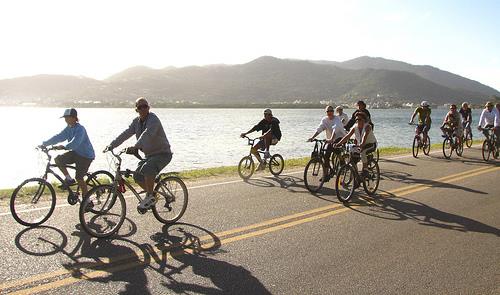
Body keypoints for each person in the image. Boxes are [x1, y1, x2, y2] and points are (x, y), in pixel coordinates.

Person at [107, 97, 172, 210]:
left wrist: (136, 146)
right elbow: (126, 133)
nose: (142, 109)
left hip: (163, 154)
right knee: (137, 176)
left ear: (149, 107)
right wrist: (112, 145)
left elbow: (147, 134)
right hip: (149, 155)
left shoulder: (153, 119)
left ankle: (150, 196)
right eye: (139, 107)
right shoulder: (136, 122)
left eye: (145, 106)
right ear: (136, 110)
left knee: (148, 168)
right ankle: (152, 195)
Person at [41, 108, 95, 196]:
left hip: (86, 156)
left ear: (74, 118)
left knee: (79, 178)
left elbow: (75, 142)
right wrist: (45, 144)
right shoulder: (68, 128)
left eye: (67, 117)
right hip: (76, 153)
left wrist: (64, 147)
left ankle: (87, 201)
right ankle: (69, 179)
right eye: (65, 118)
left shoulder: (80, 129)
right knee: (58, 160)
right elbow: (59, 137)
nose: (65, 120)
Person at [307, 105, 347, 179]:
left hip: (340, 137)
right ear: (326, 112)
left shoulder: (337, 119)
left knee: (336, 149)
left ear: (333, 112)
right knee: (326, 156)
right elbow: (320, 128)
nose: (330, 112)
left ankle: (342, 163)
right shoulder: (324, 120)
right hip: (331, 139)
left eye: (331, 111)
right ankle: (326, 175)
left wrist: (331, 139)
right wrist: (313, 137)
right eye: (328, 111)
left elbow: (336, 129)